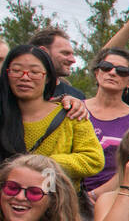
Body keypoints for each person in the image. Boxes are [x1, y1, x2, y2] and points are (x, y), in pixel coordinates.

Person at [0, 46, 103, 187]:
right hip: (9, 201)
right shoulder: (3, 115)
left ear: (48, 77)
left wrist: (43, 163)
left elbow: (94, 159)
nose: (24, 77)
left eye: (34, 72)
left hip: (58, 203)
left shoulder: (71, 114)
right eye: (16, 71)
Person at [82, 48, 129, 198]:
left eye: (122, 71)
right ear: (97, 73)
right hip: (66, 197)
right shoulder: (73, 108)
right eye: (106, 67)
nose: (112, 73)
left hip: (113, 199)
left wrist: (94, 195)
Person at [28, 26, 84, 99]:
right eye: (65, 53)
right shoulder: (18, 89)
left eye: (72, 54)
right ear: (43, 52)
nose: (73, 60)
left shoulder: (76, 97)